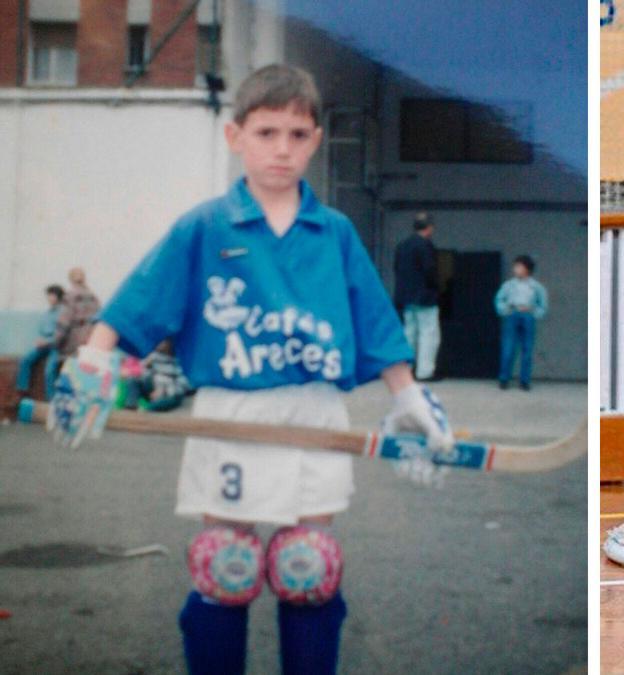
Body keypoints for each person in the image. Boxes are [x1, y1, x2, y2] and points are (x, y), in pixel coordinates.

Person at [45, 64, 453, 675]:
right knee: (224, 564)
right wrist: (94, 360)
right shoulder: (205, 225)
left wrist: (409, 399)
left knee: (308, 566)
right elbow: (142, 297)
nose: (281, 149)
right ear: (236, 136)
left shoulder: (334, 232)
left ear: (315, 139)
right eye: (266, 133)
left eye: (296, 134)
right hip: (230, 414)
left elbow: (374, 322)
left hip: (315, 411)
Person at [392, 211, 441, 380]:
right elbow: (430, 271)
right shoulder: (426, 245)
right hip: (425, 297)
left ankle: (407, 370)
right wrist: (436, 288)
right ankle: (425, 372)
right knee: (428, 334)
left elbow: (396, 269)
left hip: (406, 297)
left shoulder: (402, 245)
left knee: (409, 333)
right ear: (429, 228)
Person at [494, 254, 548, 391]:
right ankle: (504, 378)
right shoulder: (509, 285)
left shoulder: (536, 287)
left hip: (528, 316)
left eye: (519, 266)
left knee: (527, 349)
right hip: (512, 314)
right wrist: (505, 310)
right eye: (515, 266)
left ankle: (525, 380)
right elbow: (499, 299)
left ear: (527, 269)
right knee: (508, 348)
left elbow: (543, 305)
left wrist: (535, 312)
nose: (516, 269)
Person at [16, 284, 64, 400]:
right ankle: (22, 390)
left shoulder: (62, 313)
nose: (49, 298)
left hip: (56, 346)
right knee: (26, 360)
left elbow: (62, 334)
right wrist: (40, 340)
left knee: (49, 370)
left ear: (58, 297)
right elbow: (42, 330)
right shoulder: (47, 313)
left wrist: (48, 341)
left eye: (52, 295)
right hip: (43, 344)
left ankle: (50, 399)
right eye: (48, 295)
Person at [55, 267, 100, 359]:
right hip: (90, 336)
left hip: (75, 338)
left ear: (70, 279)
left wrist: (56, 340)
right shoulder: (93, 296)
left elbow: (64, 321)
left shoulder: (70, 296)